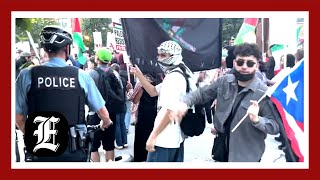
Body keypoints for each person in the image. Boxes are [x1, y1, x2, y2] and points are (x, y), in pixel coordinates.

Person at [15, 26, 113, 162]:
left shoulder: (27, 75)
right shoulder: (80, 75)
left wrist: (33, 135)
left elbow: (18, 117)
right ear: (67, 49)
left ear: (44, 49)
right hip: (73, 150)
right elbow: (103, 113)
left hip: (40, 151)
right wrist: (105, 122)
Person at [172, 43, 280, 162]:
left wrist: (257, 120)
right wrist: (184, 102)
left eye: (250, 63)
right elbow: (202, 94)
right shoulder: (224, 82)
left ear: (257, 66)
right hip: (222, 150)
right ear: (234, 63)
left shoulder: (263, 93)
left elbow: (275, 126)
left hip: (247, 156)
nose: (244, 67)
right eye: (240, 62)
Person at [130, 40, 196, 162]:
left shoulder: (174, 78)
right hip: (175, 136)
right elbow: (153, 91)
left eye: (163, 55)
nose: (159, 58)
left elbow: (170, 111)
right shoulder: (181, 72)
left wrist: (153, 136)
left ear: (174, 56)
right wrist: (139, 74)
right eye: (159, 55)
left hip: (165, 139)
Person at [87, 48, 123, 162]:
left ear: (97, 59)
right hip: (111, 112)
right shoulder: (115, 73)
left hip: (95, 113)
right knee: (109, 144)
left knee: (93, 146)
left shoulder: (91, 74)